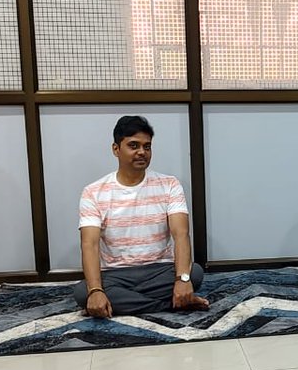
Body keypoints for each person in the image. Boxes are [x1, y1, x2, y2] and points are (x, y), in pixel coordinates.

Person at [73, 115, 209, 317]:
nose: (141, 152)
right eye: (133, 145)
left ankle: (123, 303)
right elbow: (89, 244)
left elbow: (181, 235)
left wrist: (182, 279)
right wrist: (95, 290)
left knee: (194, 273)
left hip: (160, 270)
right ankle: (172, 304)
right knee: (84, 291)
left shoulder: (169, 185)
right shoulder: (93, 192)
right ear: (116, 149)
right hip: (116, 274)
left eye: (147, 146)